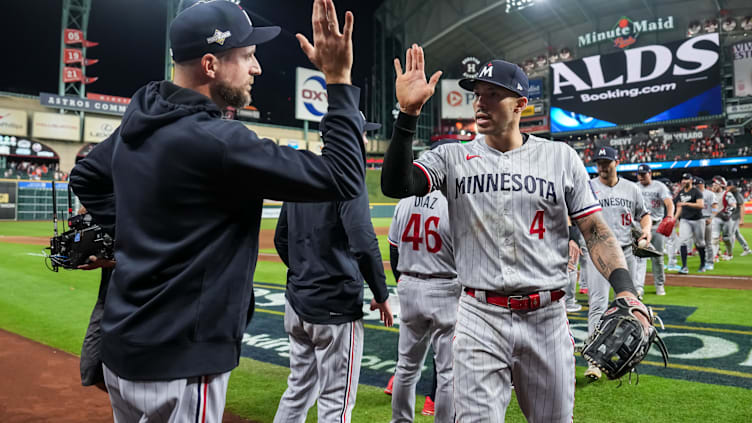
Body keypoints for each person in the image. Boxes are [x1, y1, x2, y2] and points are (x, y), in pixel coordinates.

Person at [69, 1, 368, 421]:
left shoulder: (140, 117)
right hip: (183, 362)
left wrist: (125, 235)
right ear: (210, 64)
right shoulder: (221, 142)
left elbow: (85, 177)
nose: (257, 68)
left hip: (124, 351)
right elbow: (342, 178)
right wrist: (337, 81)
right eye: (247, 56)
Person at [380, 48, 649, 422]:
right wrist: (407, 115)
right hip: (478, 316)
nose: (480, 103)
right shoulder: (452, 157)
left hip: (546, 317)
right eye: (477, 94)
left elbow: (594, 229)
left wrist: (626, 289)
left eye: (493, 94)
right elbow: (396, 184)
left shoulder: (560, 158)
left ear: (520, 104)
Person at [271, 119, 393, 423]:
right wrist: (381, 293)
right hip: (335, 310)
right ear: (351, 137)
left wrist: (306, 273)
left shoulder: (302, 174)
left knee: (297, 391)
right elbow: (364, 244)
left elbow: (280, 238)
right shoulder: (348, 177)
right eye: (364, 134)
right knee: (335, 406)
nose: (366, 141)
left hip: (296, 303)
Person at [387, 139, 461, 423]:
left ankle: (401, 421)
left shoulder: (405, 198)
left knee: (405, 367)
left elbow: (393, 249)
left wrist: (403, 281)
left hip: (409, 284)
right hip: (445, 287)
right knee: (447, 372)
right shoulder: (453, 201)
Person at [584, 146, 650, 380]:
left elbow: (644, 214)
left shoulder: (631, 188)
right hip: (598, 252)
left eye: (607, 162)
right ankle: (594, 361)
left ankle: (624, 354)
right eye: (599, 162)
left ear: (617, 163)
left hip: (626, 252)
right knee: (598, 304)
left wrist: (646, 231)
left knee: (628, 306)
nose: (602, 166)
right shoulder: (589, 186)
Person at [634, 164, 674, 294]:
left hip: (656, 225)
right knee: (639, 258)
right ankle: (639, 287)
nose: (641, 177)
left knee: (657, 257)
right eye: (639, 174)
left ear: (650, 173)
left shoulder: (659, 186)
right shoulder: (635, 187)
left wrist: (669, 216)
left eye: (643, 174)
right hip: (641, 226)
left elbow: (669, 203)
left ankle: (659, 284)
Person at [673, 173, 706, 274]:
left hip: (698, 220)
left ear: (691, 181)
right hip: (685, 220)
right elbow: (679, 206)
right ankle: (684, 266)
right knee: (683, 241)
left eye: (686, 179)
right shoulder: (681, 193)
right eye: (683, 179)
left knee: (700, 242)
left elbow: (701, 205)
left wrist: (686, 203)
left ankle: (703, 264)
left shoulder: (696, 192)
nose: (684, 181)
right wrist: (674, 219)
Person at [696, 177, 715, 270]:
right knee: (699, 242)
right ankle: (703, 262)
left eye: (698, 184)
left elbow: (714, 206)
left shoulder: (709, 194)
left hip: (707, 218)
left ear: (702, 184)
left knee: (708, 242)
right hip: (697, 219)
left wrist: (711, 217)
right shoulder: (694, 193)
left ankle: (710, 262)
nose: (697, 186)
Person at [729, 180, 752, 257]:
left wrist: (742, 219)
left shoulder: (736, 194)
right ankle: (746, 249)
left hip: (736, 217)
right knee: (736, 234)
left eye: (729, 186)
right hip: (731, 216)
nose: (727, 187)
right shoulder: (731, 194)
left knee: (731, 233)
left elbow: (742, 207)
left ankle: (729, 252)